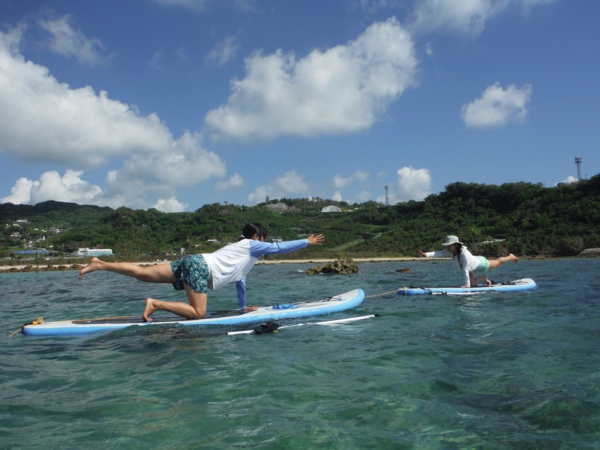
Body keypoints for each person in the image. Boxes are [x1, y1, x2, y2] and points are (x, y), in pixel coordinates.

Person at [79, 222, 325, 322]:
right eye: (264, 238)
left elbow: (241, 282)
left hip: (194, 261)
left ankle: (100, 264)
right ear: (255, 237)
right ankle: (155, 304)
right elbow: (279, 248)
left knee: (143, 272)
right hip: (200, 267)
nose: (265, 243)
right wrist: (306, 241)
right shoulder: (251, 245)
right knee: (199, 314)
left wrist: (243, 308)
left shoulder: (241, 255)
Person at [418, 235, 518, 288]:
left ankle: (510, 257)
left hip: (480, 263)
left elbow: (465, 268)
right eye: (447, 245)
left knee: (497, 262)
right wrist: (426, 254)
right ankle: (484, 278)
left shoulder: (464, 253)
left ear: (456, 245)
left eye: (450, 245)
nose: (448, 247)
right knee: (473, 283)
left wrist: (467, 285)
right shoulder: (449, 251)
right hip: (471, 268)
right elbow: (438, 253)